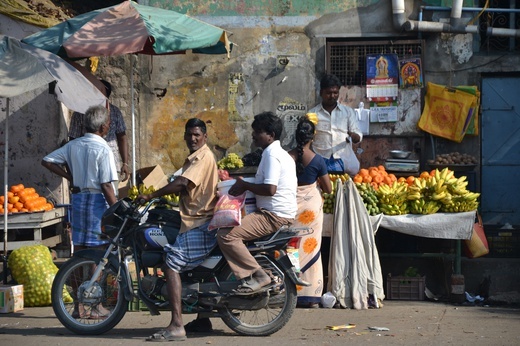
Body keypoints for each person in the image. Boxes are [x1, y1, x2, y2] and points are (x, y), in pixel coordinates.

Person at [137, 118, 218, 342]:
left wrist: (151, 195)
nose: (192, 138)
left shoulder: (202, 156)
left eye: (197, 135)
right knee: (192, 268)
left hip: (200, 224)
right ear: (184, 135)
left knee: (171, 262)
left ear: (205, 137)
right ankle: (203, 318)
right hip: (194, 219)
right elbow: (186, 185)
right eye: (189, 134)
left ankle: (176, 325)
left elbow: (183, 183)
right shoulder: (195, 158)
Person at [42, 105, 118, 319]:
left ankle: (79, 305)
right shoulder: (103, 148)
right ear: (104, 127)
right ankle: (93, 305)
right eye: (108, 123)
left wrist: (69, 177)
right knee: (98, 254)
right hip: (96, 202)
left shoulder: (73, 145)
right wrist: (116, 209)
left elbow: (47, 161)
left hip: (78, 200)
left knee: (79, 254)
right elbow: (106, 185)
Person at [217, 111, 297, 294]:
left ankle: (259, 275)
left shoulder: (272, 155)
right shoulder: (280, 154)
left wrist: (245, 185)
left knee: (226, 235)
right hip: (279, 213)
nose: (253, 135)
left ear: (271, 135)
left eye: (258, 131)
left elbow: (270, 189)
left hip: (273, 216)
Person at [288, 117, 332, 308]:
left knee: (290, 248)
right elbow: (329, 189)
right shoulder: (318, 160)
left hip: (290, 208)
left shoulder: (287, 157)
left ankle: (288, 293)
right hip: (311, 211)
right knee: (311, 248)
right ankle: (310, 296)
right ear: (312, 137)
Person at [69, 79, 130, 183]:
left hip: (111, 164)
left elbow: (122, 137)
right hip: (87, 164)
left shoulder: (115, 112)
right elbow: (73, 139)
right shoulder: (80, 112)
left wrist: (125, 163)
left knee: (110, 194)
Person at [308, 74, 363, 176]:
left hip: (343, 159)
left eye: (335, 93)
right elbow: (307, 138)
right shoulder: (312, 114)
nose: (332, 96)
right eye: (328, 93)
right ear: (321, 93)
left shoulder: (348, 112)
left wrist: (355, 137)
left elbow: (357, 132)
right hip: (320, 159)